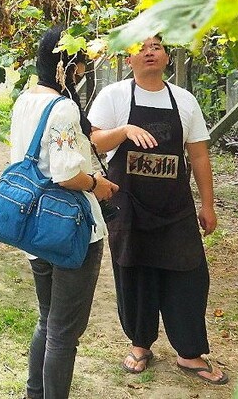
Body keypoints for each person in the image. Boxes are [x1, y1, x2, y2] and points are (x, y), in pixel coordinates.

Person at [87, 36, 228, 385]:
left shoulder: (184, 100)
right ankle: (139, 345)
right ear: (129, 57)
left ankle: (189, 352)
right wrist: (124, 130)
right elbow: (94, 140)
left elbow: (198, 155)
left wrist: (207, 205)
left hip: (174, 206)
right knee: (134, 272)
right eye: (142, 46)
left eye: (157, 46)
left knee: (189, 274)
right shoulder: (114, 96)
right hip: (128, 204)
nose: (150, 51)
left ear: (167, 56)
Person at [10, 26, 118, 399]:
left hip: (35, 228)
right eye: (82, 66)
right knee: (64, 332)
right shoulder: (63, 107)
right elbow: (67, 172)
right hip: (71, 230)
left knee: (48, 319)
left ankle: (34, 393)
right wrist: (97, 185)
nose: (83, 73)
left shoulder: (25, 101)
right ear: (67, 66)